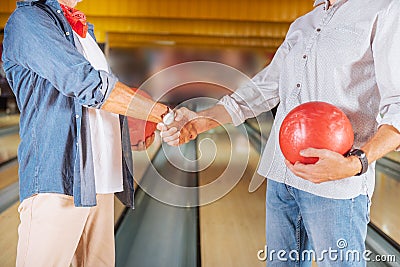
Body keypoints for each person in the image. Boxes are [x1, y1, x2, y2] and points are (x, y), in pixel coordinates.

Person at [158, 0, 400, 265]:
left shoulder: (383, 9)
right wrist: (204, 119)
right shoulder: (303, 23)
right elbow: (267, 86)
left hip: (335, 187)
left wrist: (356, 163)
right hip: (281, 177)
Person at [2, 0, 173, 266]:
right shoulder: (29, 21)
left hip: (99, 184)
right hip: (58, 182)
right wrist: (160, 113)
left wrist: (124, 133)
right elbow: (86, 84)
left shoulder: (84, 32)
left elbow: (94, 109)